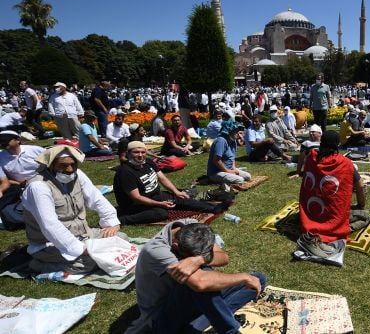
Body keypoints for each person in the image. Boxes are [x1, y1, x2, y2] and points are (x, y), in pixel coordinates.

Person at [125, 220, 266, 334]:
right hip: (162, 316)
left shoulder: (194, 227)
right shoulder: (157, 251)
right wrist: (242, 277)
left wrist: (198, 260)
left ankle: (200, 323)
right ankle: (229, 329)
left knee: (257, 279)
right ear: (175, 246)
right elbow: (200, 284)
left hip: (190, 302)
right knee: (202, 280)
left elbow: (223, 257)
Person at [21, 145, 126, 273]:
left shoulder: (78, 175)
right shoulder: (38, 187)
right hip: (50, 244)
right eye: (63, 165)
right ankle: (38, 264)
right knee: (88, 263)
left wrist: (111, 222)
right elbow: (50, 226)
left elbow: (96, 198)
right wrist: (81, 249)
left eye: (73, 164)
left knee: (121, 238)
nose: (70, 169)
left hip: (83, 235)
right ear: (50, 165)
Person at [114, 141, 227, 225]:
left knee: (180, 197)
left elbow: (162, 178)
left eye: (143, 152)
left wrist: (176, 192)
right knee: (161, 213)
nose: (140, 155)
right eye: (136, 152)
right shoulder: (125, 171)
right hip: (135, 205)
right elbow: (136, 198)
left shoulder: (148, 162)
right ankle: (122, 220)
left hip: (155, 195)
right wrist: (159, 204)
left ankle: (213, 208)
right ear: (128, 154)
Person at [298, 131, 365, 252]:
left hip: (310, 213)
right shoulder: (344, 163)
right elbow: (360, 185)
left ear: (321, 142)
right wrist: (361, 205)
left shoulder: (311, 158)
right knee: (365, 217)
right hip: (333, 217)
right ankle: (343, 228)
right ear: (337, 144)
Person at [207, 122, 251, 186]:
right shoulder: (221, 141)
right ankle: (213, 180)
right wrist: (228, 171)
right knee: (240, 180)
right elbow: (216, 160)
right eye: (236, 131)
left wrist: (234, 168)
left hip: (228, 169)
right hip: (216, 172)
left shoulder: (233, 141)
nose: (238, 133)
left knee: (248, 176)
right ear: (229, 131)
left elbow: (232, 158)